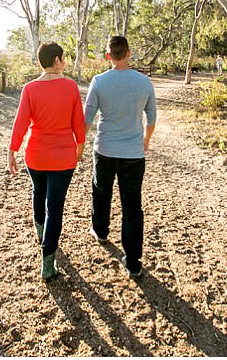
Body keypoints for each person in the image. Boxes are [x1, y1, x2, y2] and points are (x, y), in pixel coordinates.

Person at [8, 42, 85, 280]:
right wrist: (79, 148)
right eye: (64, 58)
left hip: (35, 155)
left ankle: (40, 234)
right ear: (57, 60)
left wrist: (12, 151)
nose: (64, 62)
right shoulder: (71, 87)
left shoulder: (30, 89)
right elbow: (78, 124)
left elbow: (21, 123)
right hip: (63, 157)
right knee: (55, 207)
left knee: (38, 192)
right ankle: (48, 263)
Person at [84, 35, 156, 279]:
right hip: (133, 154)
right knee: (132, 205)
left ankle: (101, 231)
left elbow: (87, 117)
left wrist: (79, 143)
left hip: (104, 149)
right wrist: (145, 141)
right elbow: (152, 118)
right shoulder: (144, 82)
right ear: (128, 53)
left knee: (101, 191)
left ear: (108, 55)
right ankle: (133, 262)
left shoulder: (99, 81)